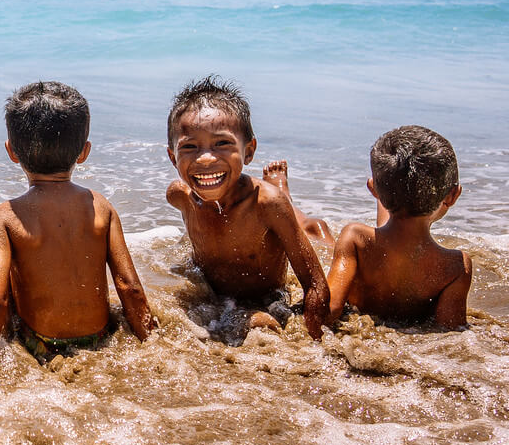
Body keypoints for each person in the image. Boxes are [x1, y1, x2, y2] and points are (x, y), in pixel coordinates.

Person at [0, 81, 154, 373]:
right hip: (100, 338)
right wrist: (152, 345)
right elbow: (129, 288)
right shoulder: (101, 206)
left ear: (11, 151)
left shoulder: (5, 217)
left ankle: (4, 336)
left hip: (40, 345)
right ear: (84, 152)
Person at [165, 76, 329, 338]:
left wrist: (313, 341)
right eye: (190, 147)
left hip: (264, 298)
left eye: (222, 143)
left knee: (312, 230)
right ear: (173, 157)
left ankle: (281, 187)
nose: (206, 158)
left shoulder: (265, 203)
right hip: (217, 296)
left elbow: (315, 284)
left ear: (249, 151)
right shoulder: (180, 196)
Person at [326, 125, 471, 328]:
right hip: (410, 341)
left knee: (319, 229)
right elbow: (450, 329)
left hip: (362, 326)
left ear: (373, 189)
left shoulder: (356, 238)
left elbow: (330, 309)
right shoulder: (456, 265)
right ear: (453, 195)